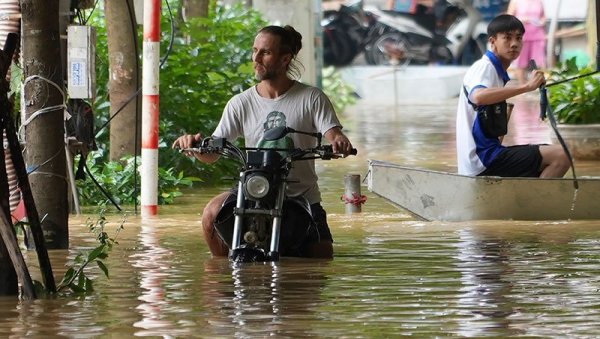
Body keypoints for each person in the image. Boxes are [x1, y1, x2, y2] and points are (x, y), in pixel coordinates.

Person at [172, 25, 354, 259]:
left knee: (321, 260)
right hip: (253, 189)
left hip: (300, 194)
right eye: (254, 51)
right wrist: (196, 145)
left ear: (285, 58)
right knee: (211, 213)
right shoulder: (240, 103)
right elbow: (213, 152)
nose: (255, 58)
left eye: (265, 53)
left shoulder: (311, 98)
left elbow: (334, 134)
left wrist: (339, 142)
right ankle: (220, 278)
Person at [456, 14, 569, 178]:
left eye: (518, 38)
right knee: (561, 155)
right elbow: (478, 96)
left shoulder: (497, 72)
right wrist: (526, 86)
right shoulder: (485, 67)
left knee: (547, 152)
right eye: (507, 38)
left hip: (486, 157)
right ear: (493, 41)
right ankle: (536, 202)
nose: (514, 44)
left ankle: (529, 199)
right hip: (482, 161)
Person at [506, 0, 546, 84]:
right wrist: (522, 19)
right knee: (520, 60)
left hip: (537, 34)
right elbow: (509, 18)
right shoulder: (515, 1)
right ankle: (522, 85)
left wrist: (541, 22)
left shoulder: (539, 1)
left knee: (538, 61)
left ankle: (537, 84)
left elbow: (543, 17)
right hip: (521, 34)